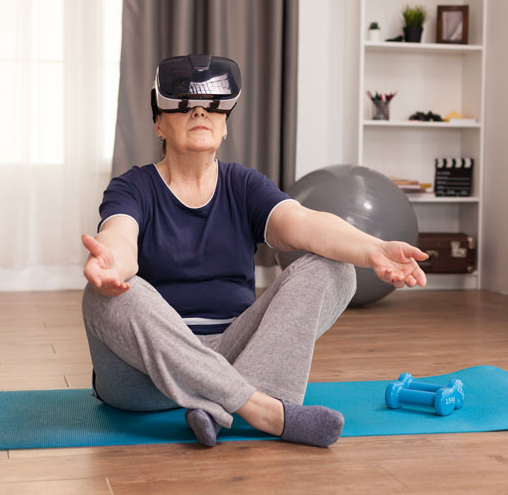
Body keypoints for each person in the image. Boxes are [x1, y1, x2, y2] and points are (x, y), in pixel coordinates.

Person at [81, 54, 428, 448]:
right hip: (145, 376)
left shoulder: (243, 186)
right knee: (103, 296)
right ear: (159, 123)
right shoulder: (134, 187)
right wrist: (111, 263)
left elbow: (304, 222)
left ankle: (216, 405)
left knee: (336, 268)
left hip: (234, 354)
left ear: (225, 125)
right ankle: (258, 409)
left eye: (213, 107)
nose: (199, 113)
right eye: (183, 106)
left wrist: (375, 248)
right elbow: (119, 237)